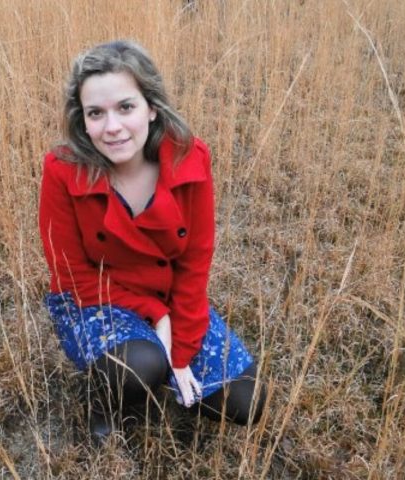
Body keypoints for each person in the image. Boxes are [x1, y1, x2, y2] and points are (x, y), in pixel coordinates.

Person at [38, 40, 266, 444]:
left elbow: (195, 264)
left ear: (152, 107)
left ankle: (158, 372)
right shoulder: (63, 170)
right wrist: (156, 315)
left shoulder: (190, 161)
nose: (112, 127)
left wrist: (179, 352)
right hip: (95, 298)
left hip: (169, 294)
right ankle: (106, 401)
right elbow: (70, 274)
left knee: (246, 402)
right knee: (141, 362)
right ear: (83, 121)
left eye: (126, 107)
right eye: (96, 113)